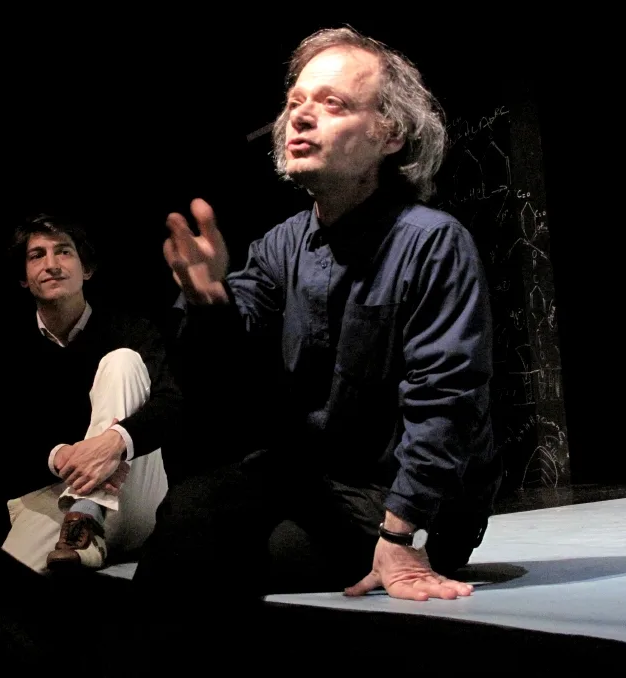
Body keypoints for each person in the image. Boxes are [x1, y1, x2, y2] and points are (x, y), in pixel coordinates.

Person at [133, 26, 501, 604]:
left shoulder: (432, 242)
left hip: (411, 501)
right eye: (296, 101)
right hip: (317, 482)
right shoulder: (281, 245)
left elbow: (446, 400)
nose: (300, 117)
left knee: (263, 554)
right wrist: (209, 302)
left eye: (332, 103)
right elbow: (225, 362)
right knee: (188, 515)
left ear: (390, 133)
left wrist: (400, 535)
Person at [0, 213, 183, 573]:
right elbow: (5, 437)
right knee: (1, 583)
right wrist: (62, 456)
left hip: (135, 491)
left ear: (86, 269)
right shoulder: (11, 350)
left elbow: (172, 406)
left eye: (64, 252)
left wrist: (113, 444)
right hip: (59, 495)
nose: (51, 264)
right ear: (24, 278)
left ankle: (87, 510)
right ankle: (84, 519)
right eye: (37, 255)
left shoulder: (131, 330)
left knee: (122, 362)